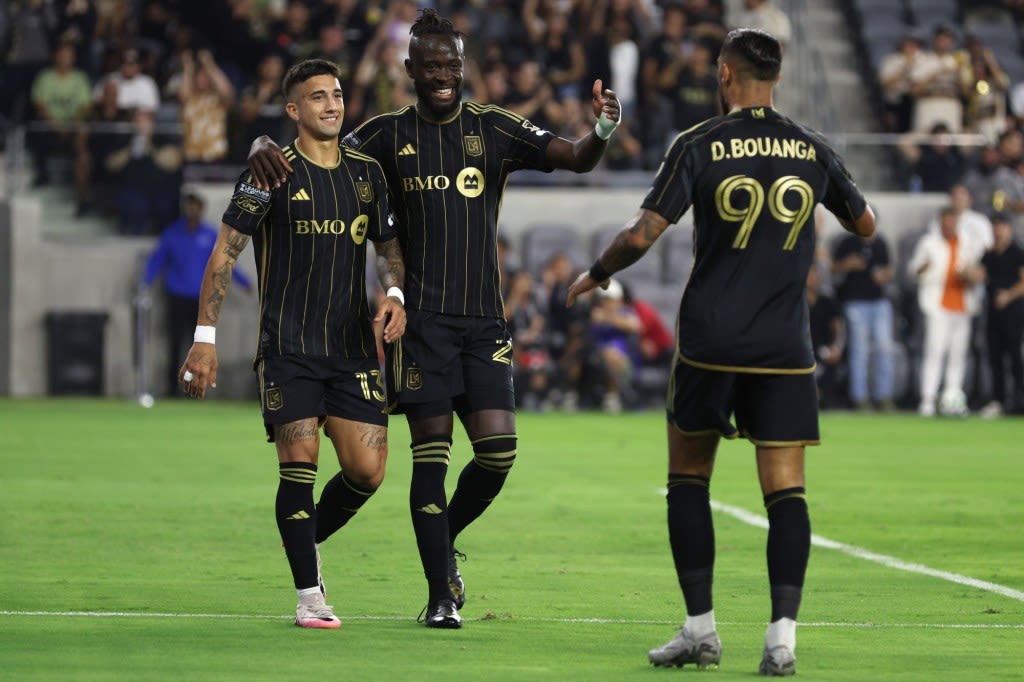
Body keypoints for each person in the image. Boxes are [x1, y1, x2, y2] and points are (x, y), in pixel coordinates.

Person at [246, 9, 621, 628]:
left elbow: (577, 157)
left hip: (484, 321)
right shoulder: (387, 135)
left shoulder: (494, 129)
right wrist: (263, 143)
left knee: (499, 454)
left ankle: (442, 544)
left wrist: (603, 128)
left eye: (453, 64)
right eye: (432, 65)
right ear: (410, 70)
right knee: (431, 460)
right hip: (420, 325)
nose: (444, 74)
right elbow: (316, 148)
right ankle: (439, 598)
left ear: (463, 67)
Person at [567, 29, 875, 675]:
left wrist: (596, 273)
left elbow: (643, 233)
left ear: (727, 77)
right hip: (785, 344)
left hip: (711, 342)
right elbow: (865, 223)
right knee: (786, 490)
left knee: (688, 480)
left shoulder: (700, 143)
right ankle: (781, 640)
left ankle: (701, 630)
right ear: (778, 78)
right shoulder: (812, 148)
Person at [178, 59, 408, 630]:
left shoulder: (366, 173)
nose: (331, 104)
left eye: (335, 94)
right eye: (317, 97)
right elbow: (225, 255)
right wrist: (203, 339)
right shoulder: (269, 172)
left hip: (353, 347)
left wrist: (395, 291)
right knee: (298, 467)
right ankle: (310, 595)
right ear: (294, 110)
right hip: (288, 348)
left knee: (367, 472)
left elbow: (387, 246)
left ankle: (301, 537)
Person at [141, 191, 253, 397]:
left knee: (199, 345)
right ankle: (172, 389)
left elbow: (225, 262)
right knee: (175, 344)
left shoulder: (210, 235)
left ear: (201, 209)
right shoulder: (172, 233)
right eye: (189, 206)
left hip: (200, 300)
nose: (192, 210)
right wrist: (144, 282)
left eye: (196, 206)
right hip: (176, 297)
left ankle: (193, 391)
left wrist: (245, 283)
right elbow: (157, 260)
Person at [908, 206, 986, 417]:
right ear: (940, 222)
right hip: (937, 306)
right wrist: (923, 268)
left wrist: (969, 274)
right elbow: (914, 270)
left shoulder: (968, 244)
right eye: (946, 221)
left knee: (958, 356)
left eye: (953, 221)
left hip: (963, 305)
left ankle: (952, 398)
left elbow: (979, 272)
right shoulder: (929, 243)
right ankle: (928, 399)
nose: (949, 225)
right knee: (934, 352)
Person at [831, 227, 895, 411]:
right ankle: (859, 398)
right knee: (859, 351)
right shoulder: (847, 242)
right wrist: (847, 264)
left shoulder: (880, 242)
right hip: (855, 302)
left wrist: (884, 275)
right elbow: (833, 268)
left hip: (879, 302)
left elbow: (889, 268)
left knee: (885, 349)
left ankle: (884, 396)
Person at [979, 214, 1024, 417]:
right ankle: (998, 400)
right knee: (995, 358)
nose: (998, 230)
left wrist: (1008, 295)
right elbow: (978, 274)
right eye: (995, 227)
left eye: (1001, 226)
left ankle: (1019, 400)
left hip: (1014, 313)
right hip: (992, 312)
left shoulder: (1017, 252)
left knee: (1016, 358)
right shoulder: (989, 254)